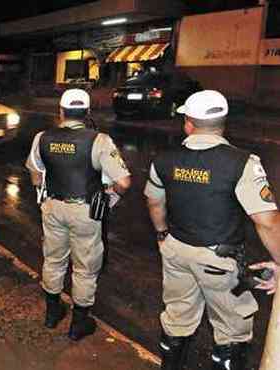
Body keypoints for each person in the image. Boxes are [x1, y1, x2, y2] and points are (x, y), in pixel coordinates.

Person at [144, 90, 280, 370]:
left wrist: (161, 234)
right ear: (223, 123)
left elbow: (154, 202)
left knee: (177, 317)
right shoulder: (241, 163)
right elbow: (267, 221)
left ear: (188, 124)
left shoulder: (164, 159)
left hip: (176, 251)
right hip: (218, 260)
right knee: (232, 329)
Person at [25, 89, 131, 340]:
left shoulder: (42, 138)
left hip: (53, 206)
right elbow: (124, 182)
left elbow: (35, 172)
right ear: (87, 113)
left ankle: (52, 314)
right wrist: (109, 198)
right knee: (85, 267)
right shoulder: (99, 140)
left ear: (60, 112)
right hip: (86, 211)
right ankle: (78, 325)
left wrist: (43, 198)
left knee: (53, 260)